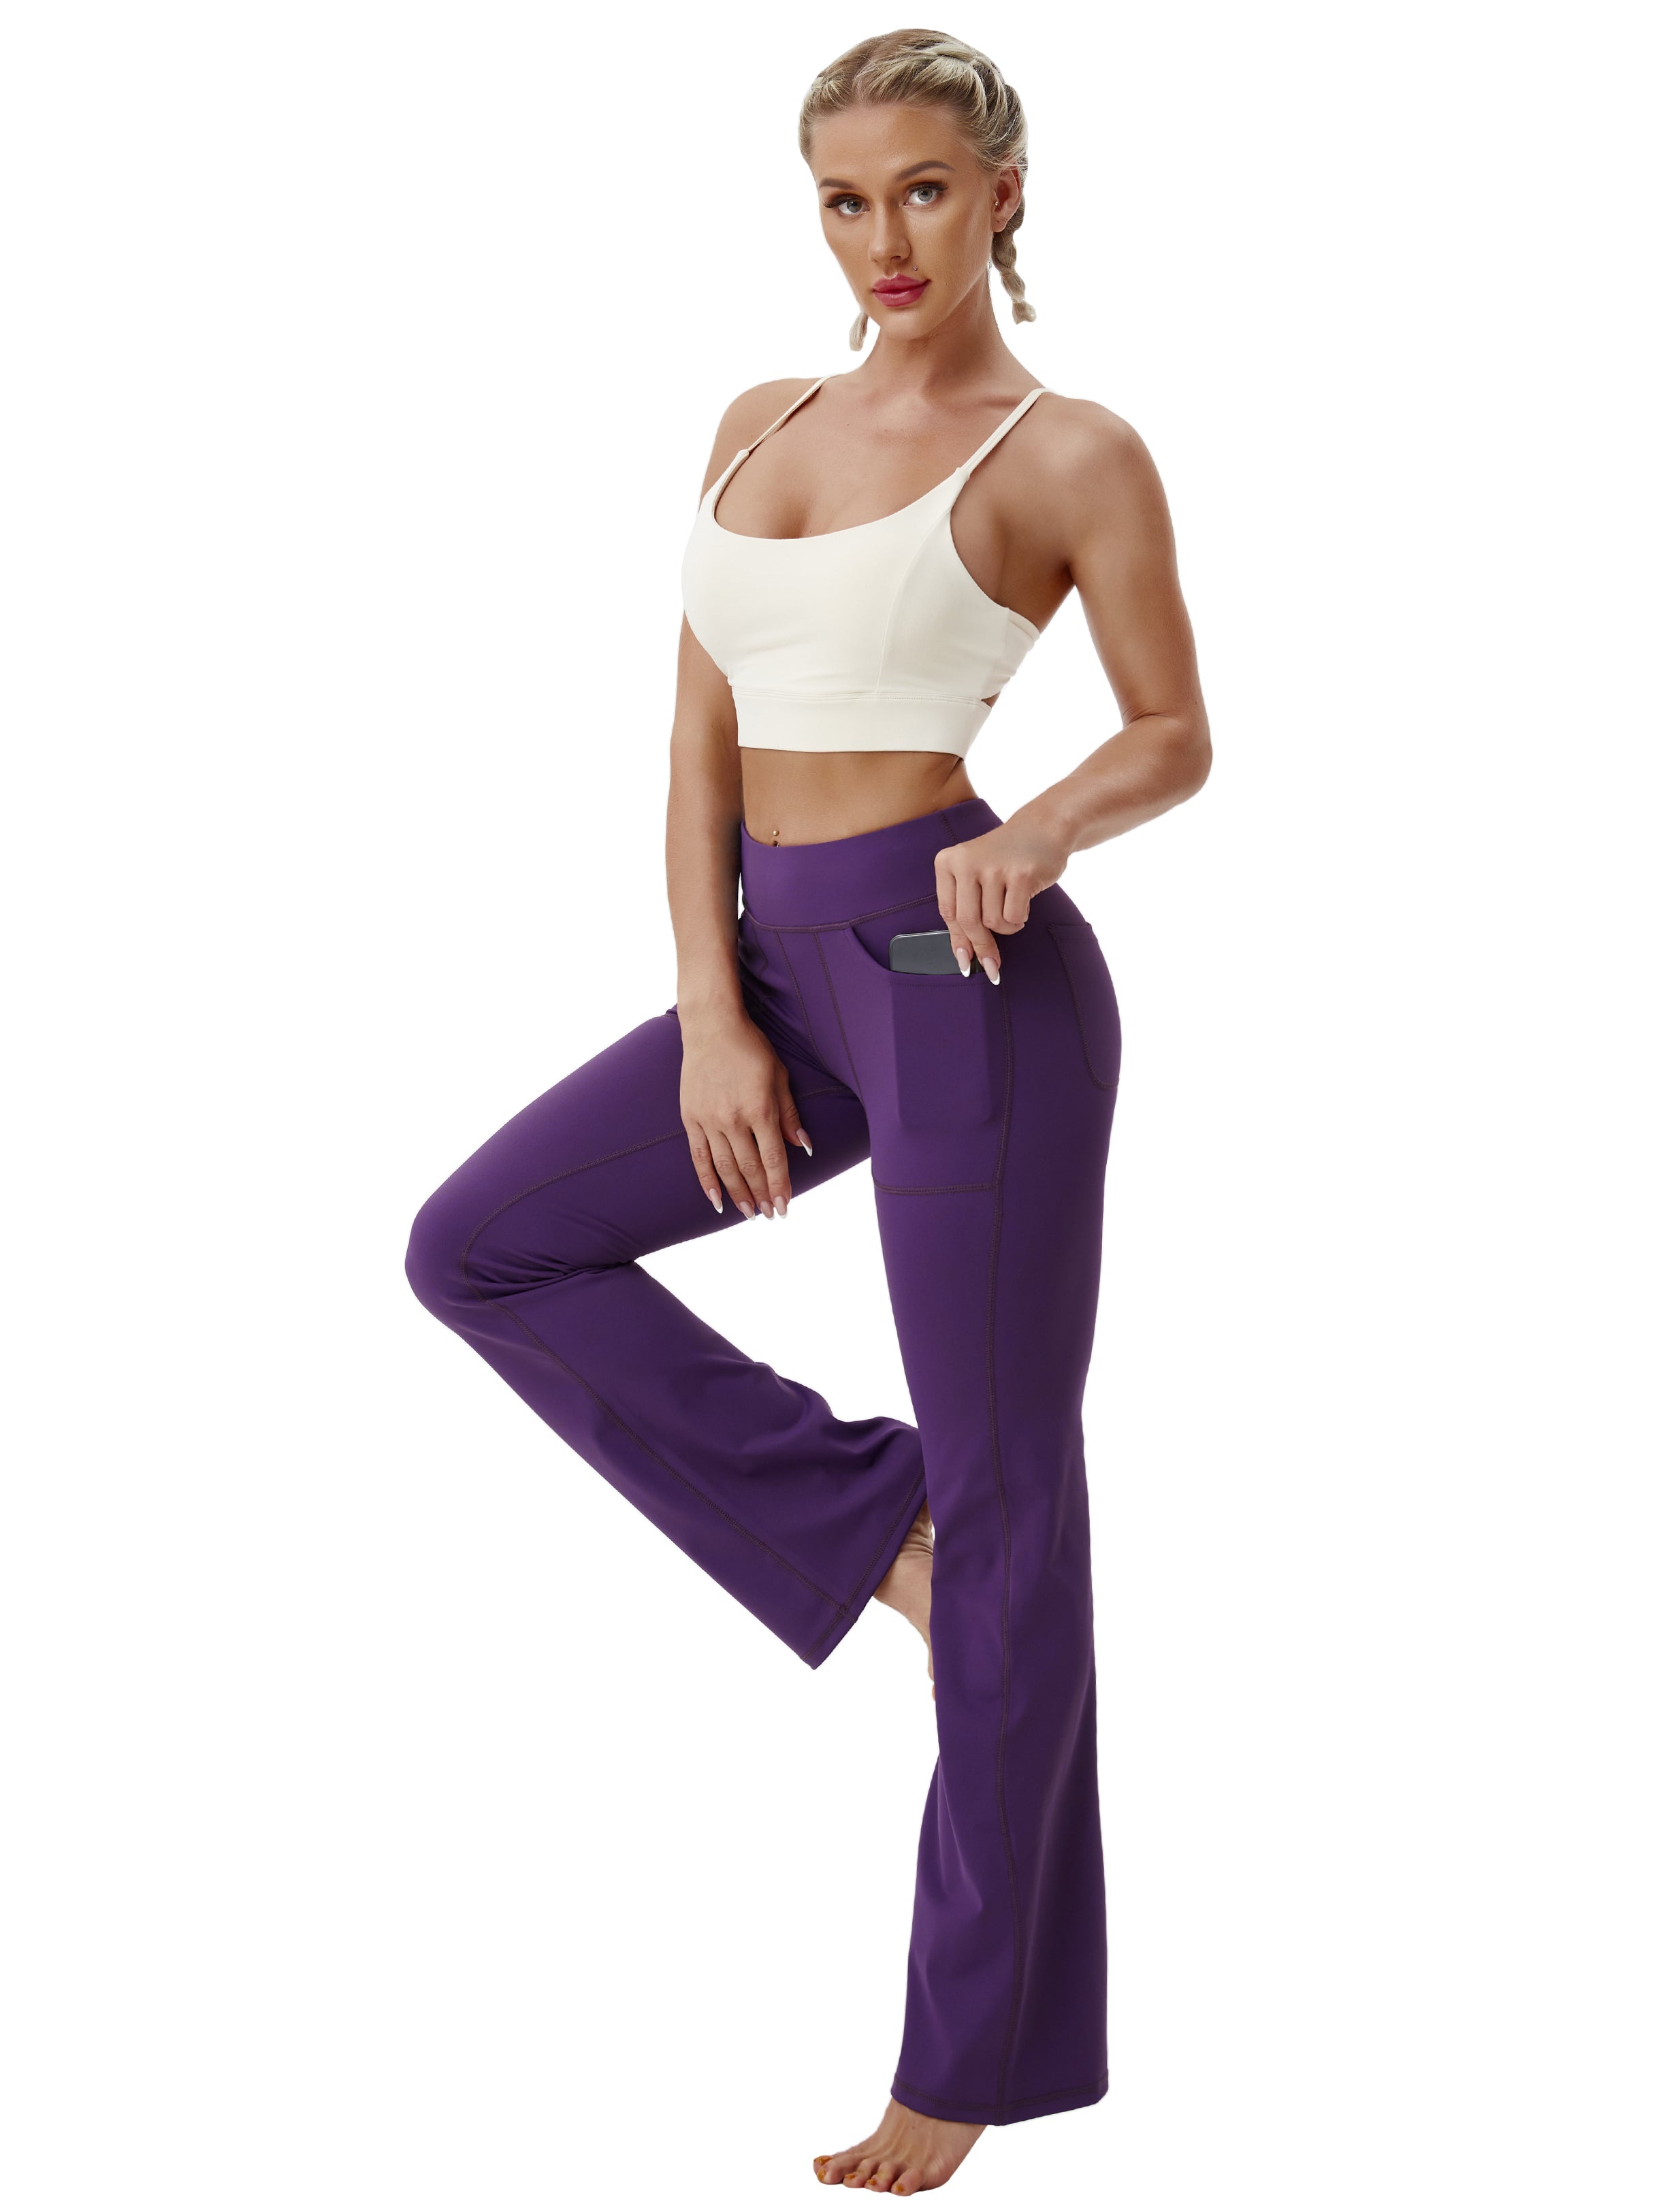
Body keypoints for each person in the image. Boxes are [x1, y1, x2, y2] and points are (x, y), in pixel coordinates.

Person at [406, 27, 1210, 2198]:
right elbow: (694, 740)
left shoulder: (1067, 450)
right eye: (846, 201)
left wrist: (1033, 830)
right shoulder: (752, 421)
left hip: (967, 978)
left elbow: (1172, 730)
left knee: (1016, 1491)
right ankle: (881, 1535)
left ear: (1002, 191)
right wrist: (708, 1009)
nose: (885, 241)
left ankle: (971, 2058)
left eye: (924, 191)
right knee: (477, 1246)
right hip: (771, 974)